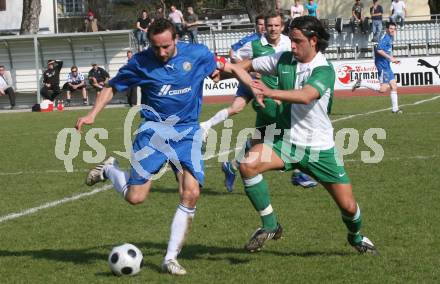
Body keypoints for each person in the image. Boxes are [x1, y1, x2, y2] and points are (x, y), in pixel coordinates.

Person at [218, 15, 377, 255]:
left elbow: (306, 95)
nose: (291, 45)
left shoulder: (323, 69)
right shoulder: (284, 59)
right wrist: (226, 72)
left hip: (319, 149)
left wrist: (270, 91)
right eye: (291, 40)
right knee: (248, 165)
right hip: (286, 142)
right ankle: (270, 225)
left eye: (297, 41)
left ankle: (355, 237)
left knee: (348, 206)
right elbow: (249, 65)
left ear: (313, 40)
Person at [75, 19, 218, 276]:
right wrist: (92, 115)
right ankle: (110, 169)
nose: (161, 52)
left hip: (187, 132)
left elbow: (219, 69)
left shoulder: (197, 54)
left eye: (165, 46)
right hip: (154, 132)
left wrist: (238, 78)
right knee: (135, 197)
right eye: (156, 48)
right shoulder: (140, 62)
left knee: (191, 193)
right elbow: (111, 87)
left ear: (176, 39)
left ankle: (170, 259)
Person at [201, 12, 317, 192]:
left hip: (279, 95)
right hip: (263, 96)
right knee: (287, 130)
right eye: (269, 25)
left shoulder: (289, 43)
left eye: (276, 25)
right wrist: (232, 74)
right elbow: (236, 59)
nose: (272, 29)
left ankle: (231, 165)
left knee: (261, 136)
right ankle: (298, 172)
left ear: (282, 27)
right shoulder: (254, 44)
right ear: (264, 26)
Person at [352, 21, 402, 113]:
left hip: (386, 65)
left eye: (394, 29)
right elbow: (378, 50)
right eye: (391, 29)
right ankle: (362, 83)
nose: (392, 30)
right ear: (387, 29)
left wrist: (392, 59)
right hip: (382, 66)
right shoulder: (386, 38)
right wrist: (391, 58)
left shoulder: (389, 37)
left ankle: (395, 109)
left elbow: (385, 51)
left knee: (394, 86)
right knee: (383, 89)